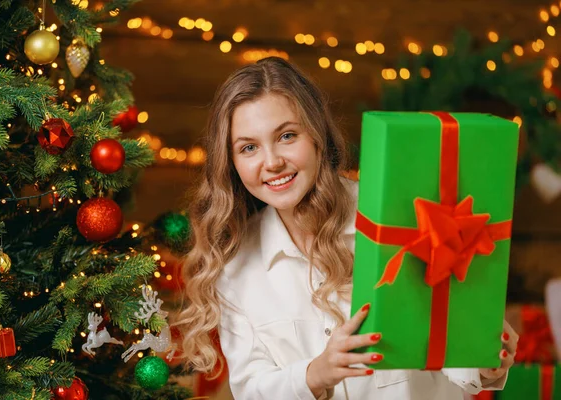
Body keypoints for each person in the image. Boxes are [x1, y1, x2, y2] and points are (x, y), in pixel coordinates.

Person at [174, 56, 519, 399]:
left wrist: (484, 361)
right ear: (231, 162)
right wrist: (316, 374)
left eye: (287, 136)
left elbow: (452, 347)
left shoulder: (399, 222)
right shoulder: (236, 264)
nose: (272, 161)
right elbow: (252, 390)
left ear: (316, 136)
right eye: (248, 147)